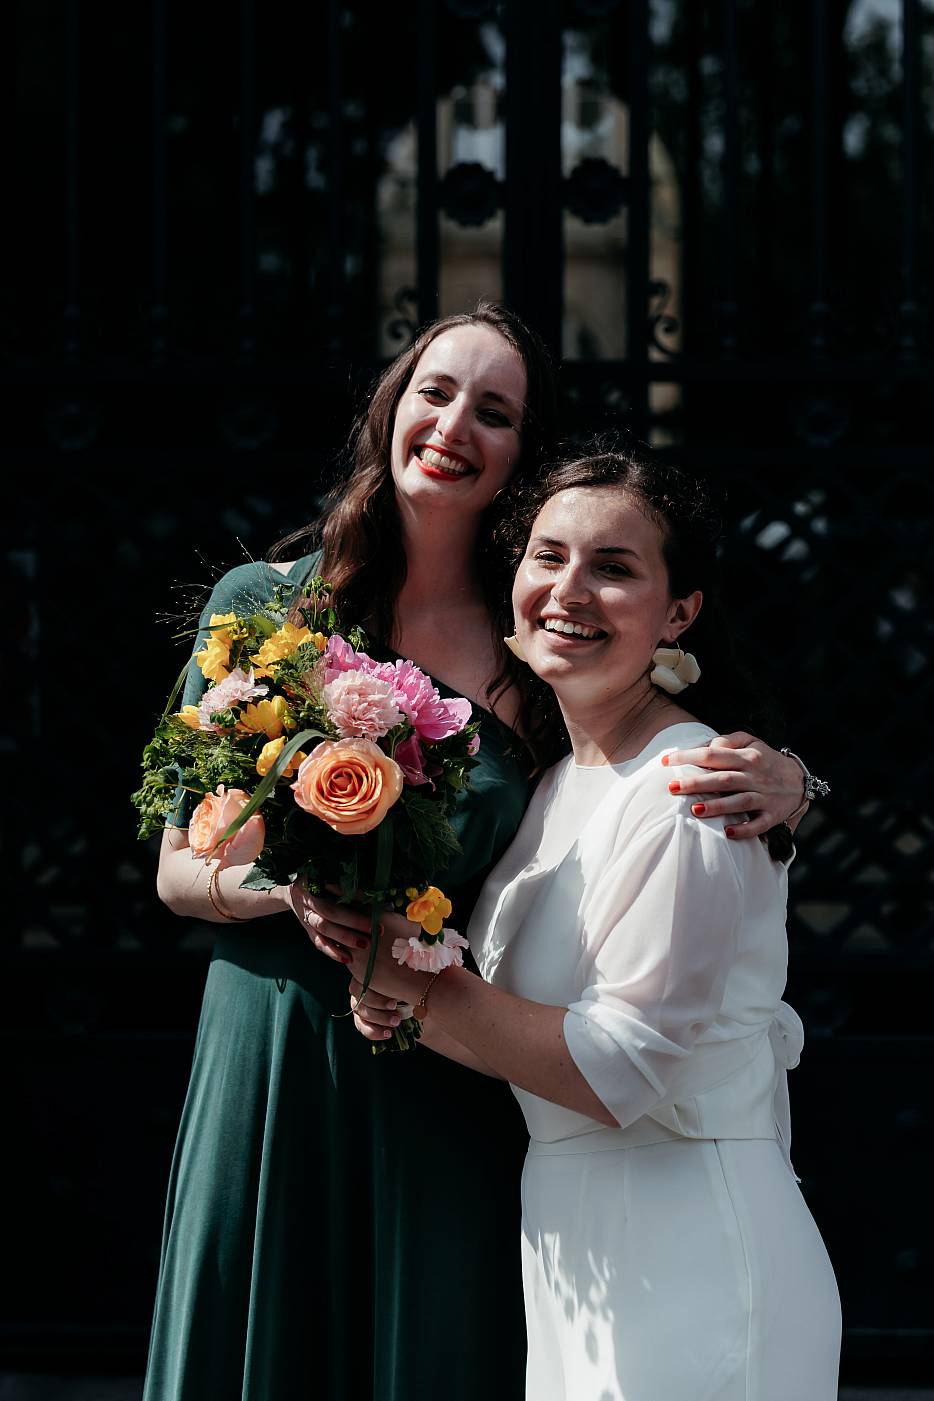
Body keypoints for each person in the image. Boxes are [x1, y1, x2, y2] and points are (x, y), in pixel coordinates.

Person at [144, 305, 814, 1401]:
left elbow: (664, 777)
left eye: (494, 412)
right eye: (435, 391)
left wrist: (794, 784)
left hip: (448, 1072)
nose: (454, 424)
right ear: (391, 409)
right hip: (268, 1050)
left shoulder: (542, 649)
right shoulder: (262, 607)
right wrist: (293, 891)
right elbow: (179, 868)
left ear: (520, 452)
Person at [341, 453, 841, 1401]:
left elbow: (621, 1064)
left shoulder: (689, 788)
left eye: (614, 567)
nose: (570, 590)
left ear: (679, 612)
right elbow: (527, 1031)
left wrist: (421, 983)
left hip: (690, 1248)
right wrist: (408, 1004)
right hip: (578, 1251)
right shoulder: (560, 783)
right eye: (548, 556)